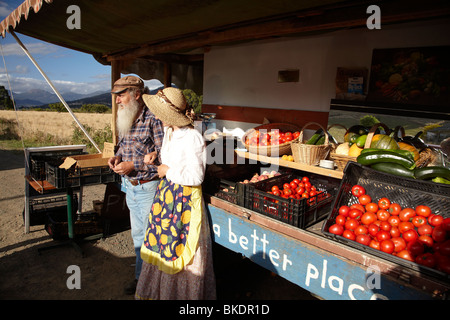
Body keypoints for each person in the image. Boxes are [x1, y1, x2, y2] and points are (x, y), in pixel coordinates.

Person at [135, 87, 216, 300]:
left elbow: (196, 177)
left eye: (159, 112)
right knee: (164, 246)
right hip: (167, 197)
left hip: (185, 201)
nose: (156, 115)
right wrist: (156, 156)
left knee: (180, 250)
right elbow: (174, 162)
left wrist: (167, 171)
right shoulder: (171, 132)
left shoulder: (193, 138)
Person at [107, 75, 164, 295]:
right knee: (138, 236)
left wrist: (134, 165)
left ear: (136, 94)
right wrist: (117, 158)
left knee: (152, 237)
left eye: (121, 96)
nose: (117, 101)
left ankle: (156, 284)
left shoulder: (154, 119)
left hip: (148, 187)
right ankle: (142, 280)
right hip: (130, 187)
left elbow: (163, 159)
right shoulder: (126, 116)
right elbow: (124, 146)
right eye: (116, 96)